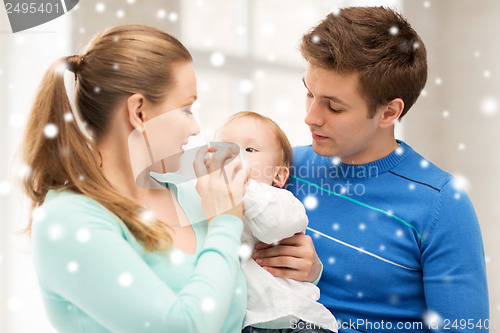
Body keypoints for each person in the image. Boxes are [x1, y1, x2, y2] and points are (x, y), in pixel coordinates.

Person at [18, 24, 248, 332]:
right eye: (186, 109)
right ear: (138, 112)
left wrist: (303, 269)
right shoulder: (68, 220)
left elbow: (238, 302)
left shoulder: (187, 194)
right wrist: (226, 224)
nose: (195, 129)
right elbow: (184, 327)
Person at [277, 6, 488, 333]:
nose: (311, 116)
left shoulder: (441, 205)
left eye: (334, 106)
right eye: (309, 92)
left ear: (389, 112)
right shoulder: (282, 168)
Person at [214, 111, 337, 332]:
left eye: (249, 150)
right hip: (247, 323)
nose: (233, 157)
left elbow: (274, 228)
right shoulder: (212, 204)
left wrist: (242, 187)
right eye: (224, 149)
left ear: (278, 176)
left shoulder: (280, 201)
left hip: (296, 318)